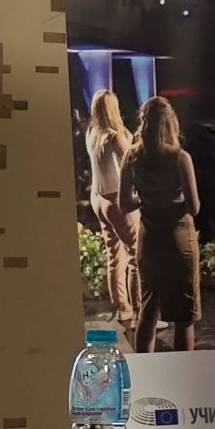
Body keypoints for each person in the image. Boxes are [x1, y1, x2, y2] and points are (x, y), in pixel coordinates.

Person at [130, 94, 201, 353]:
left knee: (148, 311)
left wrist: (148, 198)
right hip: (177, 239)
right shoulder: (180, 158)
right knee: (183, 316)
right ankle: (182, 371)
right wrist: (170, 201)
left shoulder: (131, 157)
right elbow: (194, 207)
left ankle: (143, 370)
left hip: (149, 240)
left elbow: (125, 204)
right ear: (170, 123)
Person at [83, 87, 140, 328]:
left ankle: (123, 309)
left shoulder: (92, 133)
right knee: (136, 255)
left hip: (99, 198)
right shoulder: (114, 136)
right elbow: (133, 158)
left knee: (114, 255)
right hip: (117, 200)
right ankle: (140, 313)